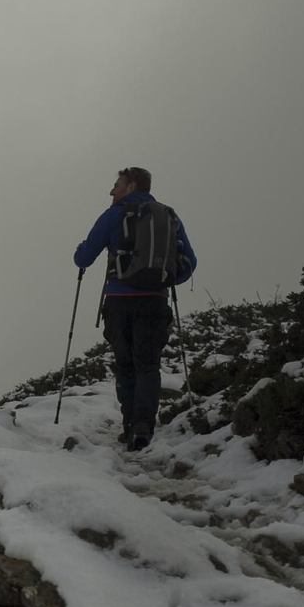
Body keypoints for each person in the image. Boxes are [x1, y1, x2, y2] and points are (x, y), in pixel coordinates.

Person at [72, 167, 196, 450]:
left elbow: (84, 257)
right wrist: (165, 279)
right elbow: (190, 260)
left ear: (131, 186)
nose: (112, 191)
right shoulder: (169, 215)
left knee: (125, 364)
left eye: (117, 185)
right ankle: (143, 427)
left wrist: (80, 251)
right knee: (148, 365)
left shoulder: (115, 214)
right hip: (155, 301)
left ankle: (129, 426)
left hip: (119, 301)